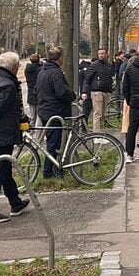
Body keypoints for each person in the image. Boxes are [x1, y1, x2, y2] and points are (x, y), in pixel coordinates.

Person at [0, 52, 30, 223]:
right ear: (14, 66)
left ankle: (15, 202)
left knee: (5, 168)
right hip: (2, 134)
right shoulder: (8, 85)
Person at [36, 46, 75, 178]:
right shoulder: (56, 73)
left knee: (52, 141)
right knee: (53, 143)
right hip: (55, 111)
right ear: (60, 58)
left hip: (45, 110)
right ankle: (49, 171)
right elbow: (62, 93)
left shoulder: (42, 71)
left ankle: (52, 168)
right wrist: (72, 95)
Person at [82, 47, 116, 131]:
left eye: (103, 53)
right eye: (99, 54)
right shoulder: (94, 65)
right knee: (97, 113)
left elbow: (110, 78)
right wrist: (85, 91)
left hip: (106, 91)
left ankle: (99, 132)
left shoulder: (108, 65)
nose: (101, 55)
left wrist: (110, 90)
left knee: (102, 113)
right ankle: (96, 134)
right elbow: (87, 79)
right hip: (97, 91)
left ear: (106, 54)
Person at [23, 53, 43, 119]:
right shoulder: (41, 69)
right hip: (39, 95)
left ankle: (32, 128)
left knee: (33, 117)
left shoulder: (27, 69)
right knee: (39, 117)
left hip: (30, 95)